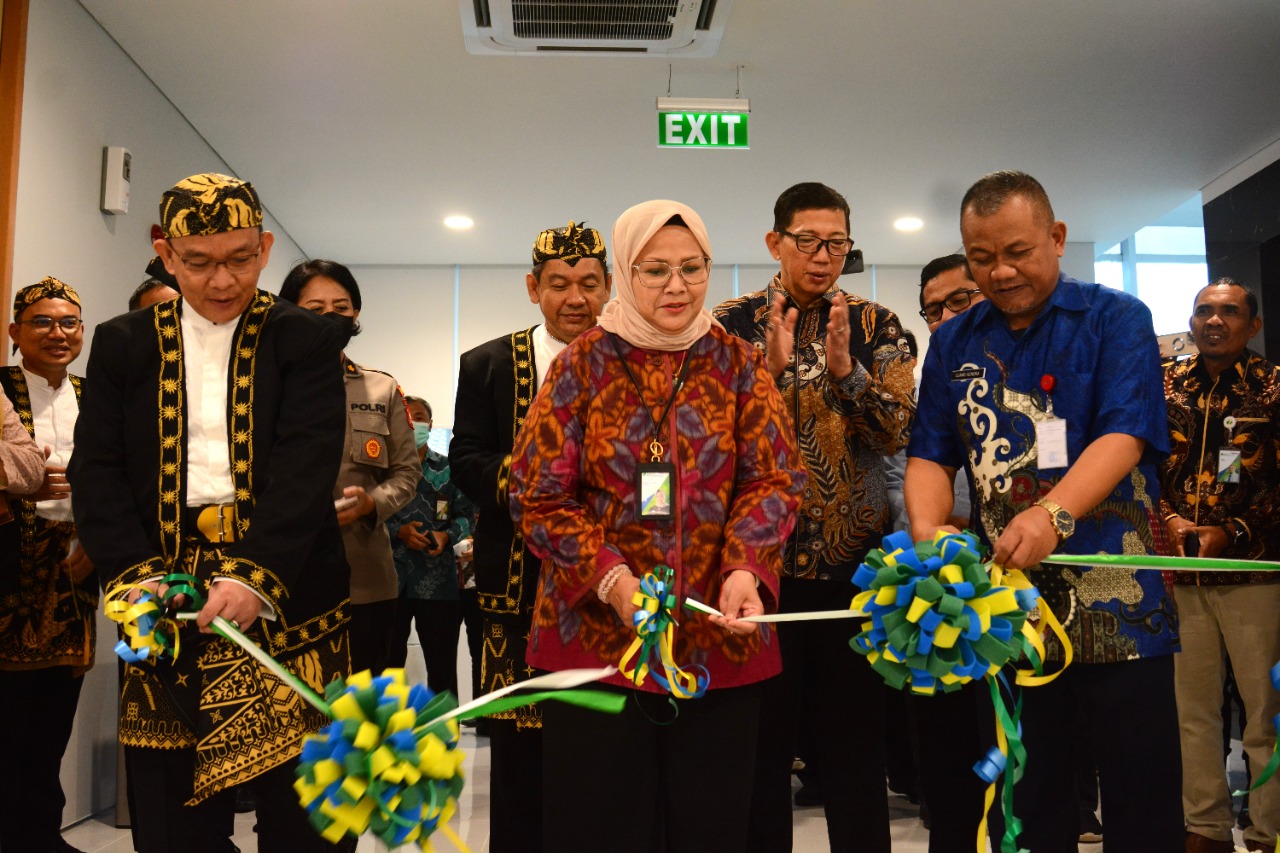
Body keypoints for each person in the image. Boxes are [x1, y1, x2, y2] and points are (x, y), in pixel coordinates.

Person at [510, 199, 806, 852]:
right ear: (625, 271)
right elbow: (537, 495)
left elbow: (775, 479)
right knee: (600, 825)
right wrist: (610, 577)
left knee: (714, 825)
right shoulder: (579, 365)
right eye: (655, 270)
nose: (677, 286)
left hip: (717, 638)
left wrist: (746, 570)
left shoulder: (739, 363)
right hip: (595, 643)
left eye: (692, 268)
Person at [68, 173, 352, 853]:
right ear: (166, 253)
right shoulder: (123, 342)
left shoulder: (307, 339)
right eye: (199, 262)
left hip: (289, 594)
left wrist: (253, 577)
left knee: (308, 815)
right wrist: (133, 576)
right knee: (172, 819)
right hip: (162, 594)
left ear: (266, 246)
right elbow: (97, 468)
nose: (222, 280)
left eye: (241, 258)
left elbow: (304, 467)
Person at [905, 170, 1182, 852]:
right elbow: (930, 455)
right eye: (980, 257)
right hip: (1009, 615)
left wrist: (1053, 515)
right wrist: (929, 530)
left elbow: (1124, 434)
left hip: (1123, 614)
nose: (999, 271)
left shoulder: (1116, 319)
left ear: (1056, 238)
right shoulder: (955, 343)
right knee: (1026, 805)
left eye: (1018, 251)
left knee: (1141, 801)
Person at [715, 181, 915, 853]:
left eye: (837, 243)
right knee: (759, 753)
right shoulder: (728, 324)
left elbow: (897, 432)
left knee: (856, 752)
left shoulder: (878, 325)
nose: (823, 256)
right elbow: (708, 440)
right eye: (808, 241)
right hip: (757, 572)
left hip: (852, 573)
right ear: (776, 242)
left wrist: (847, 374)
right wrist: (763, 381)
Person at [449, 219, 611, 850]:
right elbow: (465, 459)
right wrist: (536, 487)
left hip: (606, 589)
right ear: (532, 288)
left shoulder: (634, 358)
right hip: (514, 589)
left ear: (607, 288)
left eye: (590, 283)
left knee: (600, 755)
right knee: (519, 761)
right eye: (560, 284)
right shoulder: (488, 364)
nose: (577, 298)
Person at [1161, 278, 1280, 853]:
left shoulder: (1275, 387)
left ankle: (1268, 830)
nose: (1214, 320)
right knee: (1193, 713)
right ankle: (1204, 826)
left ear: (1252, 326)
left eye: (1229, 312)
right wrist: (1170, 523)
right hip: (1180, 574)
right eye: (1204, 310)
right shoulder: (1164, 384)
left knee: (1266, 713)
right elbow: (1139, 461)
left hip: (1254, 573)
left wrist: (1230, 531)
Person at [279, 259, 420, 675]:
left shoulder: (380, 388)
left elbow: (407, 473)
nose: (329, 318)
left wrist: (372, 503)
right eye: (315, 308)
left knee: (359, 717)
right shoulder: (268, 387)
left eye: (341, 308)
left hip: (365, 575)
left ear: (355, 314)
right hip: (287, 574)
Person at [0, 277, 92, 853]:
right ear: (15, 332)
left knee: (53, 721)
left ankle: (41, 836)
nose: (57, 333)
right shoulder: (1, 392)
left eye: (68, 323)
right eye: (42, 322)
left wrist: (100, 550)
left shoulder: (98, 394)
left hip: (75, 572)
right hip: (8, 573)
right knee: (6, 724)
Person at [386, 395, 477, 698]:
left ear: (431, 423)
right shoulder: (381, 472)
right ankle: (387, 737)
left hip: (438, 584)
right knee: (388, 669)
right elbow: (368, 520)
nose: (414, 422)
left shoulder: (450, 470)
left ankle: (444, 735)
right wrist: (399, 532)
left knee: (441, 668)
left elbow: (468, 515)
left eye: (420, 416)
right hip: (389, 584)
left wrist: (448, 536)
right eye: (406, 417)